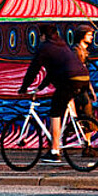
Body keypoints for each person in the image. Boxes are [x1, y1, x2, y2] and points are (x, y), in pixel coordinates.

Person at [19, 23, 90, 165]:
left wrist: (24, 88)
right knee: (62, 103)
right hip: (83, 78)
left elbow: (33, 69)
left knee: (54, 113)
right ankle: (60, 141)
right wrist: (40, 87)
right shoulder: (61, 45)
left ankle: (55, 152)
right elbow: (52, 73)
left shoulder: (44, 47)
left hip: (69, 80)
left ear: (43, 36)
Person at [71, 24, 97, 118]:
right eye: (89, 34)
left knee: (86, 119)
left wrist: (90, 89)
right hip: (79, 90)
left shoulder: (83, 51)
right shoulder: (76, 51)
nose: (92, 37)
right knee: (87, 119)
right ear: (82, 36)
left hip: (83, 88)